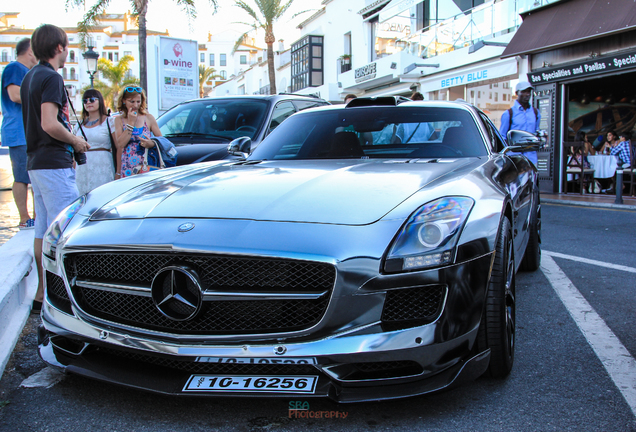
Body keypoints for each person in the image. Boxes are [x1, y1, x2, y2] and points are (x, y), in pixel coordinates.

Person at [20, 24, 89, 312]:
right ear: (59, 47)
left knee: (43, 230)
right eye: (67, 44)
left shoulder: (29, 78)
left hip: (36, 162)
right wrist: (75, 141)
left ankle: (41, 293)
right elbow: (49, 123)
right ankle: (63, 299)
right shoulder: (51, 78)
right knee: (67, 229)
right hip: (53, 163)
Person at [1, 38, 37, 229]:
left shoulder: (26, 71)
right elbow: (15, 95)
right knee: (22, 176)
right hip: (19, 131)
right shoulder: (15, 68)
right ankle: (25, 218)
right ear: (30, 51)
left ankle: (34, 217)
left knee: (32, 175)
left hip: (26, 131)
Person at [72, 89, 116, 195]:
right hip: (82, 168)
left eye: (92, 100)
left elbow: (118, 147)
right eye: (85, 100)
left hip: (103, 166)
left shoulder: (109, 121)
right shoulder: (79, 125)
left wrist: (118, 172)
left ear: (100, 101)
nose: (88, 103)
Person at [113, 86, 162, 178]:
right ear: (124, 101)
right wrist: (131, 122)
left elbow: (161, 141)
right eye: (131, 102)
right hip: (127, 167)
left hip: (146, 165)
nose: (135, 105)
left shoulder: (148, 118)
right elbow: (121, 144)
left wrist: (151, 144)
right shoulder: (119, 120)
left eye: (138, 101)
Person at [499, 81, 541, 167]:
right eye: (524, 91)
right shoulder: (509, 113)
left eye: (529, 91)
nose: (527, 94)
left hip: (532, 159)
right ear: (516, 93)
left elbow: (536, 132)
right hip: (515, 159)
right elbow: (502, 137)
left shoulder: (536, 113)